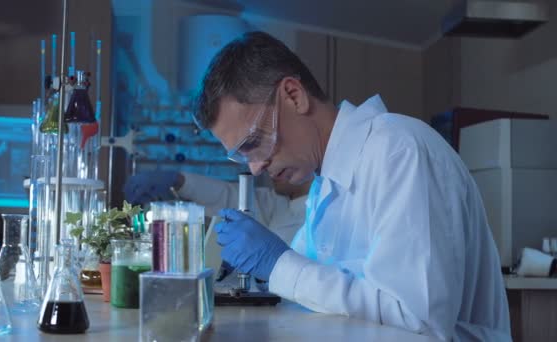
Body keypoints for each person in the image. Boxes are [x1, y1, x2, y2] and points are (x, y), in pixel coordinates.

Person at [191, 31, 511, 341]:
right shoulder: (326, 183)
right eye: (241, 156)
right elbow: (314, 288)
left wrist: (277, 263)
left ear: (293, 95)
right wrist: (260, 275)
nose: (256, 166)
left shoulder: (399, 151)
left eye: (253, 142)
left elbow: (419, 323)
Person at [124, 170, 309, 243]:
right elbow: (232, 197)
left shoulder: (314, 208)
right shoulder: (281, 201)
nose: (263, 166)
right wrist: (179, 181)